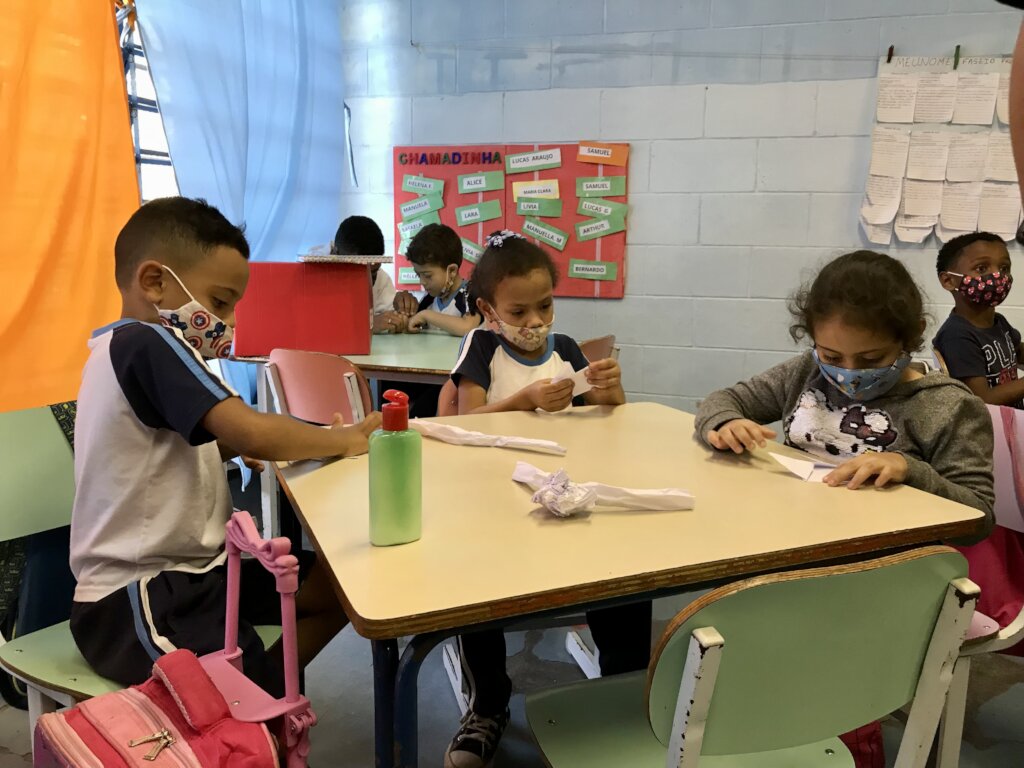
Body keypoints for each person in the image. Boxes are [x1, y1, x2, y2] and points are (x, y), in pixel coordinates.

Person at [69, 197, 381, 697]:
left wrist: (225, 452)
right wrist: (342, 439)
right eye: (219, 303)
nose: (230, 322)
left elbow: (155, 454)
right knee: (234, 696)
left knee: (340, 587)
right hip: (138, 593)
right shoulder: (146, 342)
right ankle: (255, 699)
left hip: (202, 574)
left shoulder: (125, 349)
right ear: (155, 282)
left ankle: (264, 692)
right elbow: (250, 429)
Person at [694, 249, 994, 768]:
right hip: (791, 552)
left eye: (872, 360)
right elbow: (723, 399)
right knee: (739, 631)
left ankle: (843, 741)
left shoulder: (947, 406)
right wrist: (724, 423)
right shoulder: (806, 374)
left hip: (881, 578)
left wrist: (910, 469)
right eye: (831, 354)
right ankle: (763, 732)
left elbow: (978, 517)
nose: (847, 374)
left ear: (909, 339)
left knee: (820, 663)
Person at [443, 231, 650, 768]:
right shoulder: (482, 348)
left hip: (565, 495)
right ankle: (488, 703)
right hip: (493, 503)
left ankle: (624, 692)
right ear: (488, 310)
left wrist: (611, 391)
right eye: (519, 311)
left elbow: (611, 419)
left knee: (626, 566)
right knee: (474, 584)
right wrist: (525, 399)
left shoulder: (566, 349)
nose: (535, 321)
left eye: (545, 306)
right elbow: (466, 420)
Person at [933, 231, 1024, 408]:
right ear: (948, 280)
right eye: (982, 268)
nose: (997, 275)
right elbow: (981, 400)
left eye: (1004, 268)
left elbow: (1017, 352)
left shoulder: (998, 322)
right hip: (988, 424)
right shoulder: (956, 336)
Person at [332, 214, 415, 335]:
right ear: (335, 254)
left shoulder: (382, 278)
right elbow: (317, 325)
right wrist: (367, 324)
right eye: (357, 273)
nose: (366, 282)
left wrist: (402, 310)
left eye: (373, 273)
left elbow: (390, 317)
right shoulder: (310, 275)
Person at [405, 223, 481, 337]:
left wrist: (426, 315)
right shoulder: (429, 299)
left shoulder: (470, 293)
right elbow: (414, 321)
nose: (422, 282)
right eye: (418, 275)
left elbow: (467, 327)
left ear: (452, 271)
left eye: (427, 275)